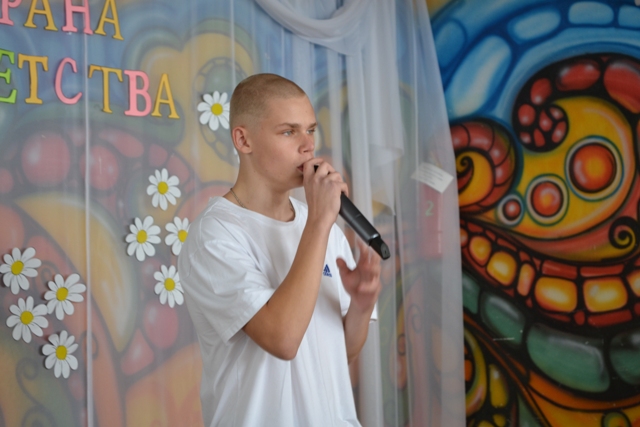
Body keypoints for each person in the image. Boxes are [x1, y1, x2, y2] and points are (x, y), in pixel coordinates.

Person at [178, 73, 382, 427]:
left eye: (311, 130)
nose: (308, 146)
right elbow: (283, 340)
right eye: (289, 132)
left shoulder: (324, 227)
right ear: (243, 140)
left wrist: (361, 306)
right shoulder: (213, 235)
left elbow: (342, 353)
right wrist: (319, 221)